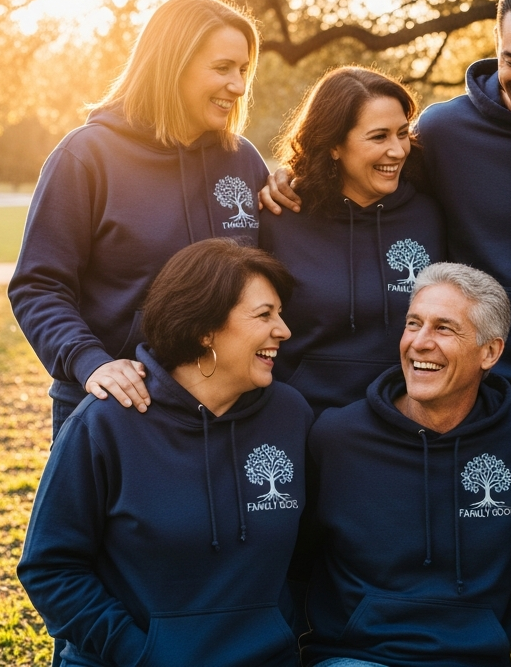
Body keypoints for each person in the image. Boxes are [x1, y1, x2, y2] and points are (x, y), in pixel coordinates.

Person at [263, 0, 511, 424]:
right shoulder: (443, 130)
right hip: (472, 385)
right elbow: (370, 172)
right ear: (496, 45)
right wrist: (297, 175)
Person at [18, 239, 312, 667]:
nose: (283, 330)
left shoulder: (291, 416)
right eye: (265, 315)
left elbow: (311, 556)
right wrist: (139, 654)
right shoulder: (107, 423)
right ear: (204, 328)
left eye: (280, 314)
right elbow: (50, 568)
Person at [9, 0, 271, 438]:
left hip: (225, 409)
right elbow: (39, 286)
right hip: (117, 406)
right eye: (222, 68)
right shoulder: (86, 156)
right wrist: (92, 363)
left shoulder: (241, 158)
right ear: (173, 65)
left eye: (243, 70)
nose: (239, 86)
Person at [293, 263, 511, 667]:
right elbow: (296, 565)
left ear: (490, 352)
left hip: (474, 660)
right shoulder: (337, 437)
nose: (419, 343)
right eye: (414, 324)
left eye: (444, 328)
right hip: (358, 658)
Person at [259, 66, 445, 413]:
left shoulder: (431, 215)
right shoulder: (280, 216)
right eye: (378, 137)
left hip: (399, 423)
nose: (397, 151)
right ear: (333, 145)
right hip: (302, 419)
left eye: (402, 133)